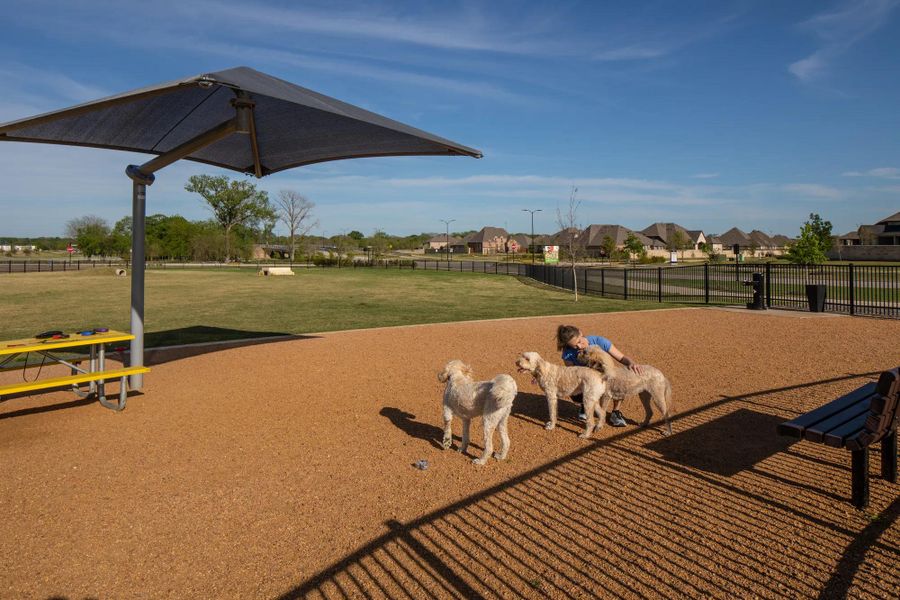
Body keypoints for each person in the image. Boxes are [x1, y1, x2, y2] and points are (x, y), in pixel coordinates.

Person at [556, 324, 644, 427]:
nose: (579, 346)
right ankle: (585, 405)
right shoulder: (567, 353)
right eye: (574, 346)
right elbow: (573, 373)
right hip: (587, 379)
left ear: (580, 333)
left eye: (579, 341)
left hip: (605, 374)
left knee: (618, 379)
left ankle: (615, 412)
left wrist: (631, 363)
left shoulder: (599, 341)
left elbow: (621, 358)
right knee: (574, 389)